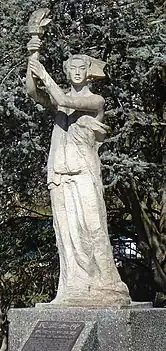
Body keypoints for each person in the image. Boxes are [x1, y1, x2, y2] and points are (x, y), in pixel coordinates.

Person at [26, 36, 130, 306]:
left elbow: (61, 97)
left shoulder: (96, 101)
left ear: (89, 74)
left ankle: (106, 286)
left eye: (81, 68)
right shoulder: (60, 103)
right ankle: (74, 288)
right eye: (71, 68)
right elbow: (32, 93)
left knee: (92, 227)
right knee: (67, 234)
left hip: (84, 172)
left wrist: (45, 76)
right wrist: (32, 58)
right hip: (60, 174)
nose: (75, 72)